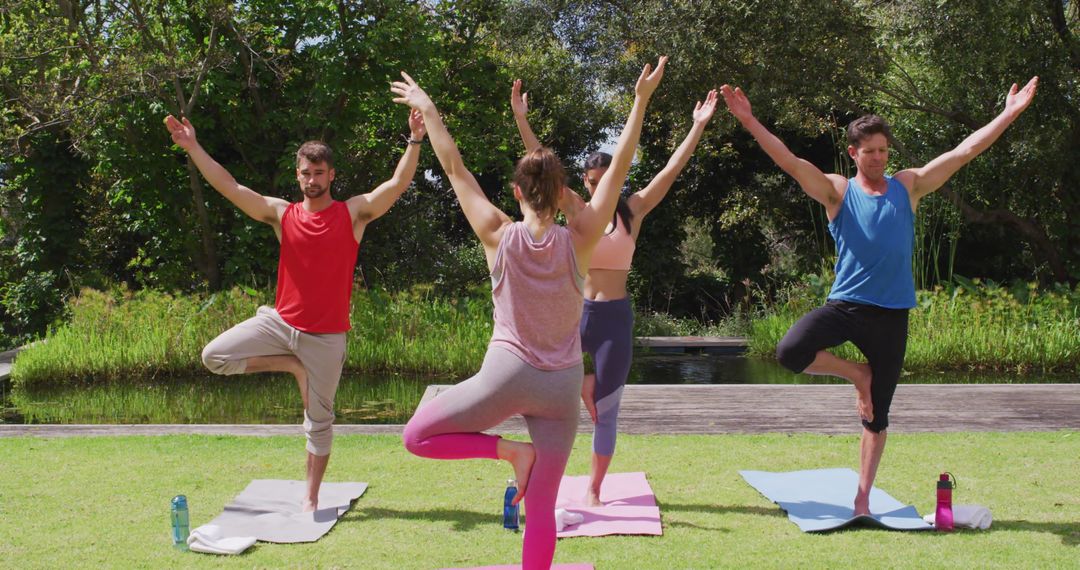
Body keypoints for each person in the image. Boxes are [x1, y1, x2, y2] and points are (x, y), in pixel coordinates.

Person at [394, 57, 666, 569]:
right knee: (541, 509)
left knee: (416, 436)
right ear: (562, 195)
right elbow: (620, 169)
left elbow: (454, 168)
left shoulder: (496, 234)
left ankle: (511, 453)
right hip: (561, 388)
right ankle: (523, 467)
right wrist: (640, 101)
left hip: (507, 375)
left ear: (517, 191)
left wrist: (428, 108)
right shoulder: (582, 238)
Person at [721, 76, 1038, 515]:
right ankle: (858, 374)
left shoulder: (908, 186)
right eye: (869, 151)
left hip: (891, 317)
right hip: (846, 307)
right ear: (854, 153)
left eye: (883, 150)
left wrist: (1008, 114)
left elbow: (964, 152)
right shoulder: (838, 191)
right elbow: (791, 163)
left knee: (877, 417)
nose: (878, 157)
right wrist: (750, 121)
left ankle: (863, 500)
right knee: (790, 351)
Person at [163, 109, 427, 511]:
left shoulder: (352, 214)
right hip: (280, 324)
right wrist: (193, 146)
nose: (312, 179)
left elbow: (396, 184)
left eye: (319, 173)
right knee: (214, 356)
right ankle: (291, 366)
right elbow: (230, 186)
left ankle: (311, 496)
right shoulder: (281, 214)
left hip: (326, 338)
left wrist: (415, 139)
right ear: (297, 175)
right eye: (306, 173)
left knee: (319, 422)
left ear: (331, 175)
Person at [512, 81, 719, 506]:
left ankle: (594, 489)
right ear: (584, 182)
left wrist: (697, 126)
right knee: (548, 395)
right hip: (574, 314)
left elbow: (670, 171)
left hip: (614, 320)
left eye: (605, 180)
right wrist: (521, 119)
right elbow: (542, 168)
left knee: (607, 411)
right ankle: (566, 419)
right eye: (591, 181)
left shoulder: (633, 210)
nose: (597, 187)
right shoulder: (576, 209)